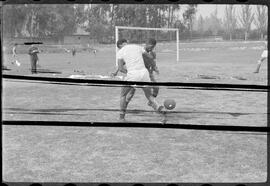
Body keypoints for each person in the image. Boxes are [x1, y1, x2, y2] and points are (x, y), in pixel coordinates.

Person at [113, 39, 164, 121]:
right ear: (125, 43)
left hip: (133, 75)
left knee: (123, 95)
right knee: (149, 96)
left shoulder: (120, 52)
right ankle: (159, 110)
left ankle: (121, 118)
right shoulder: (137, 47)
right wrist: (154, 67)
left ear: (120, 46)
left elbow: (121, 68)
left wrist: (128, 72)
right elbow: (150, 57)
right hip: (144, 73)